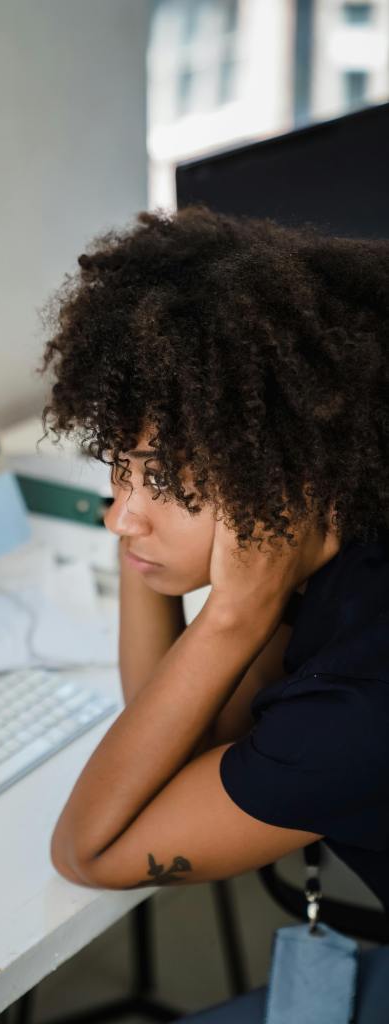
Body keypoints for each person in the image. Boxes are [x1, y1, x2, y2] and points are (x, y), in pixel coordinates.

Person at [39, 204, 389, 913]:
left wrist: (232, 613)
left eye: (164, 481)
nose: (118, 516)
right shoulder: (346, 535)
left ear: (282, 469)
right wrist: (145, 545)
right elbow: (175, 730)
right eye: (116, 465)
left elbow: (90, 850)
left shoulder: (353, 704)